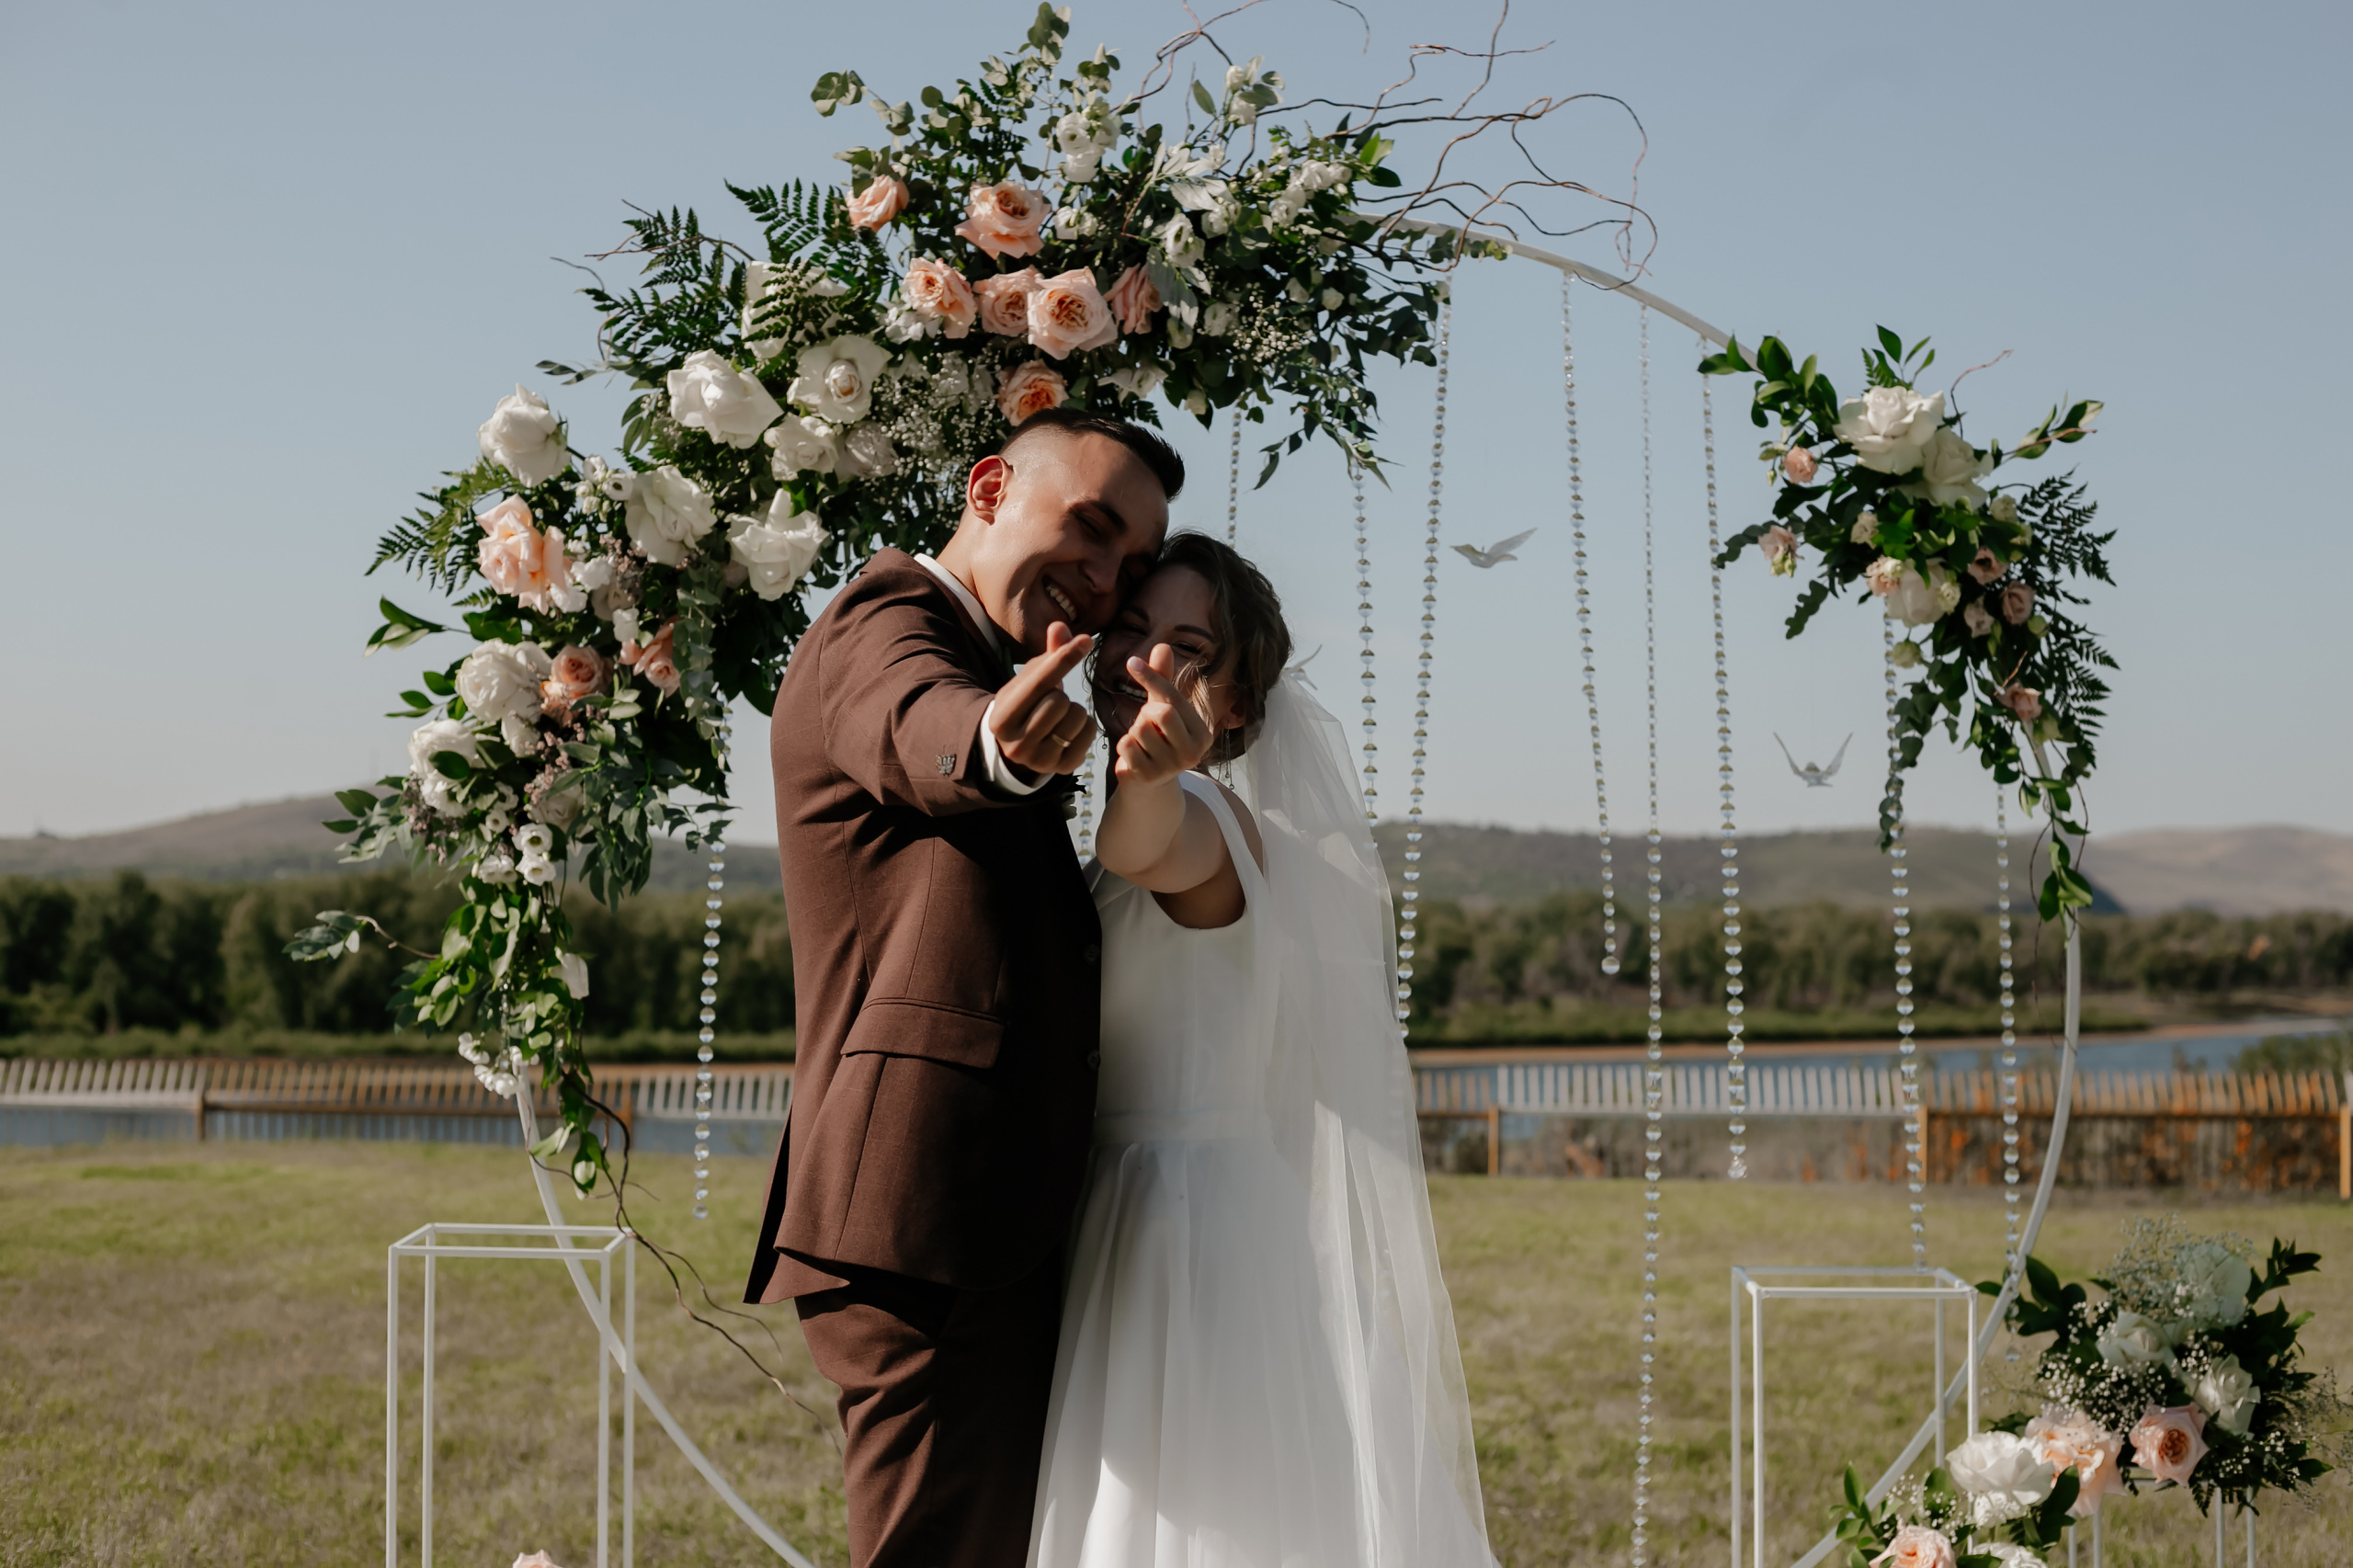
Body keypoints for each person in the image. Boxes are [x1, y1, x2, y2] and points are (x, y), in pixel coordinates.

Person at [744, 408, 1180, 1568]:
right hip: (921, 1216)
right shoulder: (884, 615)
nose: (1100, 578)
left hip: (982, 1210)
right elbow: (913, 723)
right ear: (988, 485)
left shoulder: (986, 642)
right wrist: (994, 741)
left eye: (1129, 565)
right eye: (1090, 529)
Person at [1029, 534, 1494, 1567]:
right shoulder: (1223, 817)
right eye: (1134, 627)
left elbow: (1142, 847)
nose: (1143, 657)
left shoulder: (1196, 815)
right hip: (1187, 1203)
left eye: (1187, 646)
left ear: (1234, 706)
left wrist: (1150, 774)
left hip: (1179, 1228)